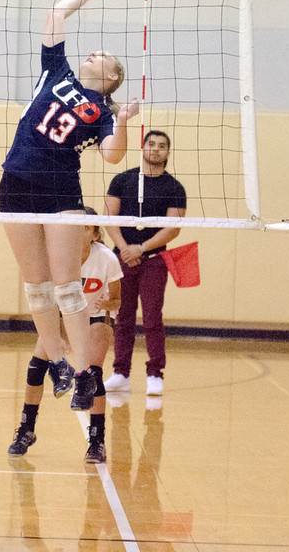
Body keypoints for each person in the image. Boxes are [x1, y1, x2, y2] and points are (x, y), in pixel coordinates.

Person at [0, 0, 139, 414]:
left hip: (61, 191)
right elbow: (55, 14)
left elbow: (113, 154)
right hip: (16, 184)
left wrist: (127, 122)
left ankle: (84, 373)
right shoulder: (55, 72)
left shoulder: (103, 111)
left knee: (67, 286)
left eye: (102, 56)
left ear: (112, 77)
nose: (93, 54)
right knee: (36, 287)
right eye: (92, 51)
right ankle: (58, 363)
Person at [7, 207, 123, 463]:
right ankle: (26, 429)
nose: (78, 231)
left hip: (95, 316)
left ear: (94, 234)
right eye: (74, 227)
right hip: (62, 317)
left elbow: (117, 301)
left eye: (84, 228)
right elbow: (44, 300)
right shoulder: (55, 255)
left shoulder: (106, 259)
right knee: (36, 366)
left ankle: (97, 440)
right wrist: (53, 337)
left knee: (93, 371)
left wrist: (107, 303)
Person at [102, 130, 187, 396]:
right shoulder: (122, 180)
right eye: (152, 144)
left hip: (154, 260)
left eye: (162, 146)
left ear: (168, 152)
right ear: (143, 147)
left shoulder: (174, 188)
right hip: (122, 259)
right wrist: (126, 248)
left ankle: (154, 374)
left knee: (152, 318)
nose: (156, 149)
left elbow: (173, 228)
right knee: (122, 316)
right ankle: (120, 373)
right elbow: (109, 218)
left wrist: (142, 247)